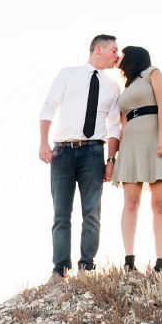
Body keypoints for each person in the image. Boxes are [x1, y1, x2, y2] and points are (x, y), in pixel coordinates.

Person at [38, 34, 122, 279]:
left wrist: (111, 159)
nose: (117, 56)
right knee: (61, 214)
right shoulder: (68, 74)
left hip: (94, 153)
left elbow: (115, 126)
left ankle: (86, 269)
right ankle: (60, 270)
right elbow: (48, 106)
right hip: (62, 151)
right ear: (99, 49)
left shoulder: (113, 87)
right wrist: (44, 141)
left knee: (92, 213)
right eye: (114, 50)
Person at [107, 44, 162, 273]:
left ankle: (160, 263)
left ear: (134, 57)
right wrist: (116, 155)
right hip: (131, 144)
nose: (119, 57)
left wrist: (161, 138)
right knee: (131, 202)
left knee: (159, 204)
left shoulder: (153, 73)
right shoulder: (125, 88)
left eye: (122, 54)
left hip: (156, 136)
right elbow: (122, 123)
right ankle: (129, 261)